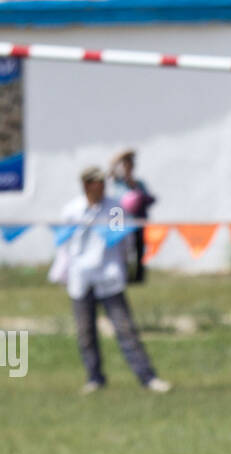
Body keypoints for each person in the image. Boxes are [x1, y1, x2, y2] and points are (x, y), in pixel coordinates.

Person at [49, 166, 171, 395]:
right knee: (85, 333)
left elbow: (122, 242)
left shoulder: (114, 209)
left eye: (103, 182)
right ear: (86, 185)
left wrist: (126, 265)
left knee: (125, 330)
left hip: (109, 276)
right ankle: (94, 377)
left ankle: (147, 377)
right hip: (81, 278)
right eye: (96, 183)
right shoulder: (72, 211)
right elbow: (64, 245)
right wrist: (61, 272)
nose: (102, 187)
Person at [107, 149, 156, 284]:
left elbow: (149, 198)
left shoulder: (138, 184)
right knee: (121, 250)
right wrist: (119, 158)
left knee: (139, 250)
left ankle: (139, 277)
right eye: (125, 165)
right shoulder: (117, 182)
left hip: (137, 221)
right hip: (120, 220)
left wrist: (134, 186)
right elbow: (110, 171)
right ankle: (122, 275)